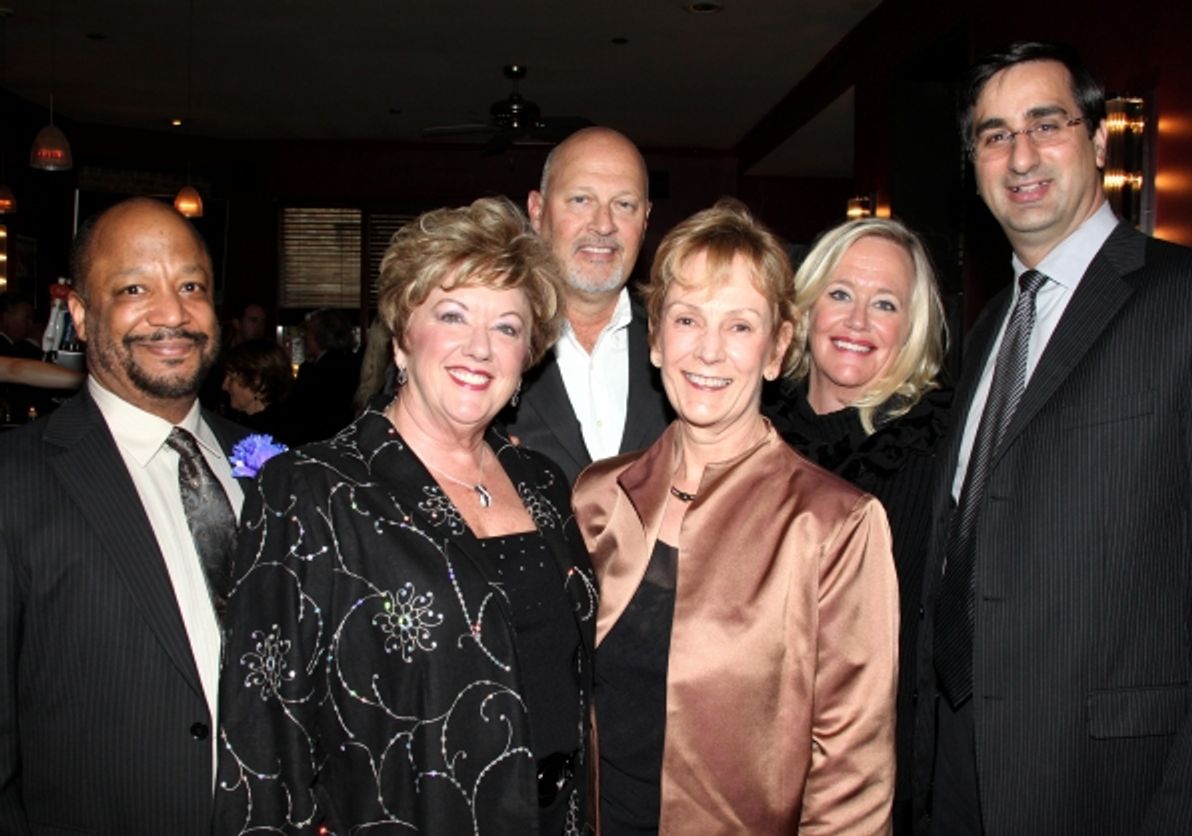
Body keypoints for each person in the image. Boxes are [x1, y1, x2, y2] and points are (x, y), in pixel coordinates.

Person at [214, 197, 597, 835]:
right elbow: (262, 738)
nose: (480, 347)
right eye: (453, 315)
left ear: (527, 355)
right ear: (400, 340)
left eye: (507, 327)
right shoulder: (311, 491)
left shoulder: (543, 484)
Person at [913, 42, 1192, 835]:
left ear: (1100, 140)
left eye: (1046, 124)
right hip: (958, 760)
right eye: (994, 135)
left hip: (1110, 778)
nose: (1021, 156)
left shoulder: (1184, 303)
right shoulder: (988, 331)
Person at [574, 199, 899, 834]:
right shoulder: (596, 497)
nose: (709, 351)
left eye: (740, 326)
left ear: (777, 350)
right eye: (687, 319)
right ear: (656, 339)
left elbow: (852, 782)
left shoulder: (835, 526)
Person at [0, 197, 247, 833]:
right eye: (135, 289)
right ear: (81, 316)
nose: (173, 314)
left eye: (191, 286)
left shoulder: (276, 469)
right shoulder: (15, 481)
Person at [765, 217, 948, 834]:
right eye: (840, 293)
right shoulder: (747, 433)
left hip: (878, 778)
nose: (858, 321)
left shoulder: (941, 452)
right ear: (806, 308)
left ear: (912, 328)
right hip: (746, 762)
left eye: (886, 304)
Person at [503, 126, 673, 484]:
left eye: (624, 205)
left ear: (645, 220)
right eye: (581, 200)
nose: (604, 225)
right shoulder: (483, 342)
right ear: (537, 211)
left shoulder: (682, 346)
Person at [285, 307, 361, 443]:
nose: (305, 337)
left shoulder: (312, 372)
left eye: (308, 332)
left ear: (319, 336)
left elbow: (297, 415)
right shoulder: (356, 363)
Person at [220, 338, 294, 442]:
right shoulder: (239, 422)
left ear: (258, 383)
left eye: (232, 378)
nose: (224, 386)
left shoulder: (269, 437)